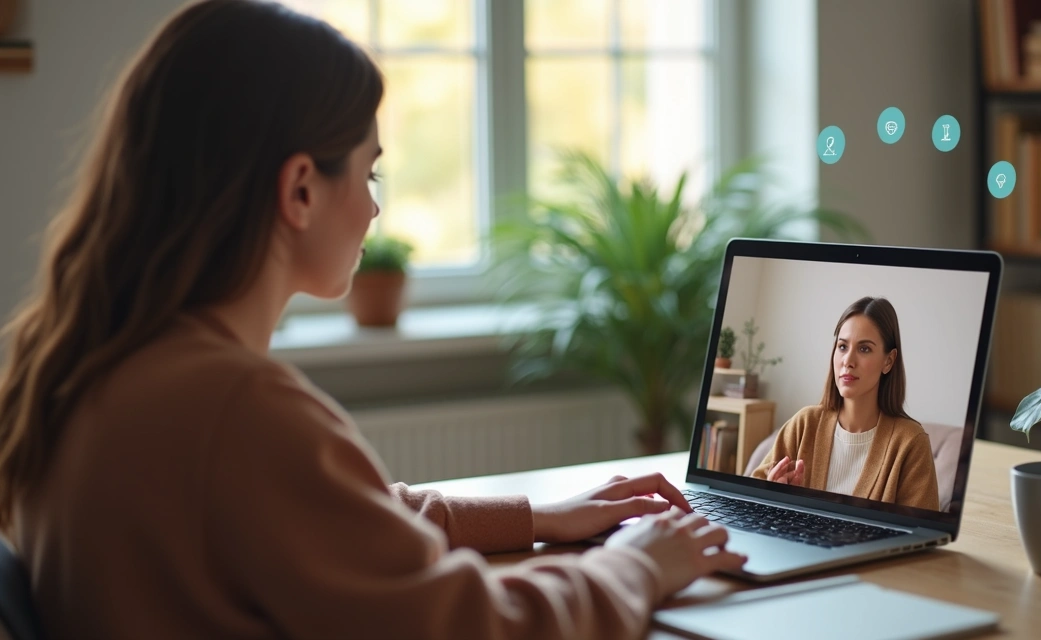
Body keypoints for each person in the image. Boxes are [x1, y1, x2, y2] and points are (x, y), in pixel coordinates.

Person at [0, 2, 746, 638]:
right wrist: (640, 563)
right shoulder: (236, 410)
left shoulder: (98, 367)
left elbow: (339, 519)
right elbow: (473, 629)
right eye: (369, 172)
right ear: (299, 190)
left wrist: (540, 517)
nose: (374, 207)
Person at [749, 297, 938, 511]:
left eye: (864, 349)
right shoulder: (804, 423)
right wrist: (775, 498)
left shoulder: (911, 443)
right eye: (842, 346)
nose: (848, 360)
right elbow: (751, 503)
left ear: (889, 361)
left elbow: (921, 536)